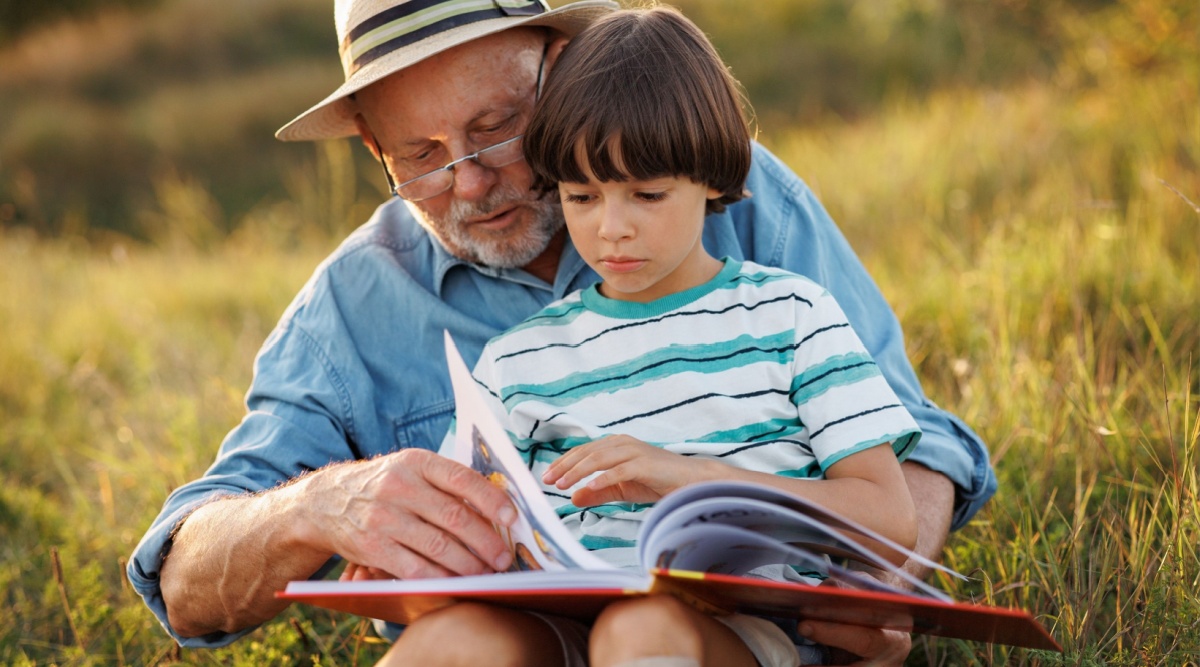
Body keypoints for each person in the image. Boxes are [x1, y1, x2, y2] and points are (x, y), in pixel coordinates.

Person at [125, 0, 996, 663]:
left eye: (496, 128)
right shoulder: (351, 309)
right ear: (371, 152)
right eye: (420, 157)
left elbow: (918, 443)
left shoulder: (722, 190)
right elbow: (185, 575)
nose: (471, 186)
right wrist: (317, 510)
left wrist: (881, 582)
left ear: (560, 68)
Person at [375, 8, 922, 665]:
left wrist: (689, 477)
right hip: (558, 621)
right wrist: (405, 562)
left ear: (713, 176)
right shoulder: (517, 359)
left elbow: (890, 518)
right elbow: (466, 527)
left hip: (724, 633)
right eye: (582, 197)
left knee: (635, 631)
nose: (612, 228)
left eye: (647, 194)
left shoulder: (793, 316)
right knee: (448, 640)